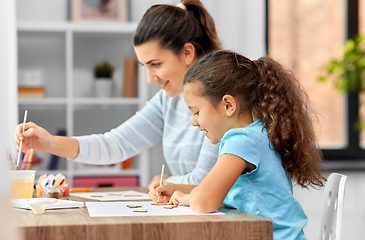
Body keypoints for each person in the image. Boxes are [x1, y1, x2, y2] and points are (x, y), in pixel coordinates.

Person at [13, 0, 222, 198]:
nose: (150, 79)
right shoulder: (168, 100)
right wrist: (50, 143)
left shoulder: (221, 102)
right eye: (145, 66)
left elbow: (205, 181)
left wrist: (170, 182)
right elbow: (116, 144)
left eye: (156, 64)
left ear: (187, 53)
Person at [154, 50, 326, 240]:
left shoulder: (241, 141)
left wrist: (186, 198)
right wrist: (177, 188)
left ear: (228, 105)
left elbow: (204, 202)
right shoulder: (257, 133)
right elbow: (218, 192)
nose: (194, 122)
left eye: (196, 112)